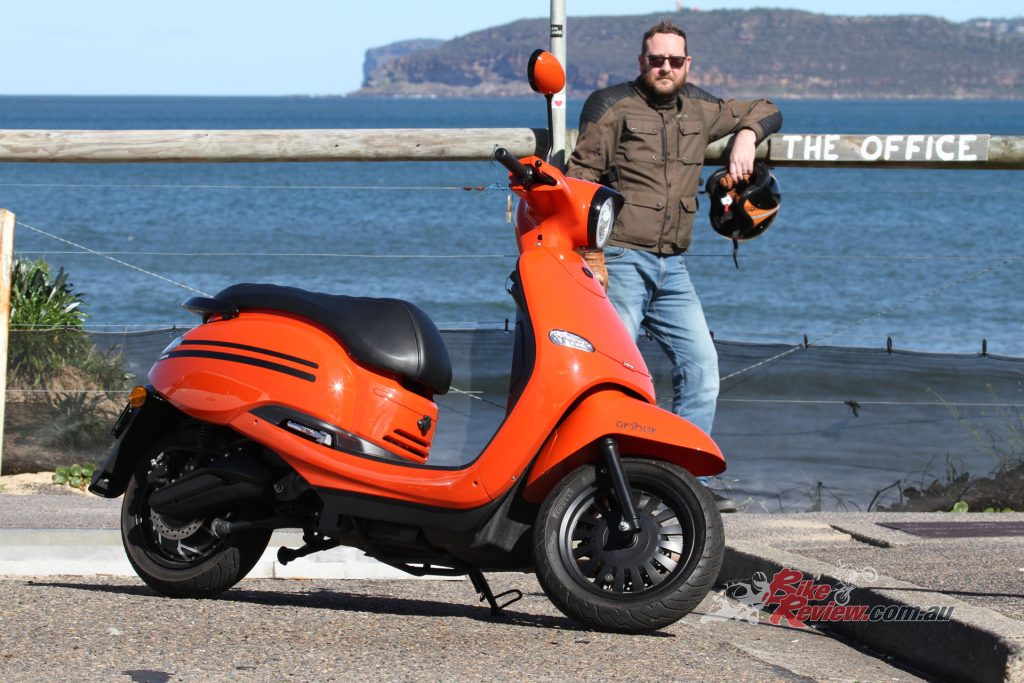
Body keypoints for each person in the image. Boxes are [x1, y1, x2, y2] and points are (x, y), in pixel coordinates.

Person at [566, 19, 782, 512]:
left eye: (675, 60)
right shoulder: (610, 105)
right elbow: (581, 181)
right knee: (617, 375)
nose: (665, 67)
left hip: (673, 268)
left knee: (702, 367)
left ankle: (680, 484)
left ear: (688, 64)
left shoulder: (701, 107)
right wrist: (590, 255)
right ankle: (606, 487)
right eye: (656, 59)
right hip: (620, 258)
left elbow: (768, 108)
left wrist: (746, 137)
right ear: (641, 62)